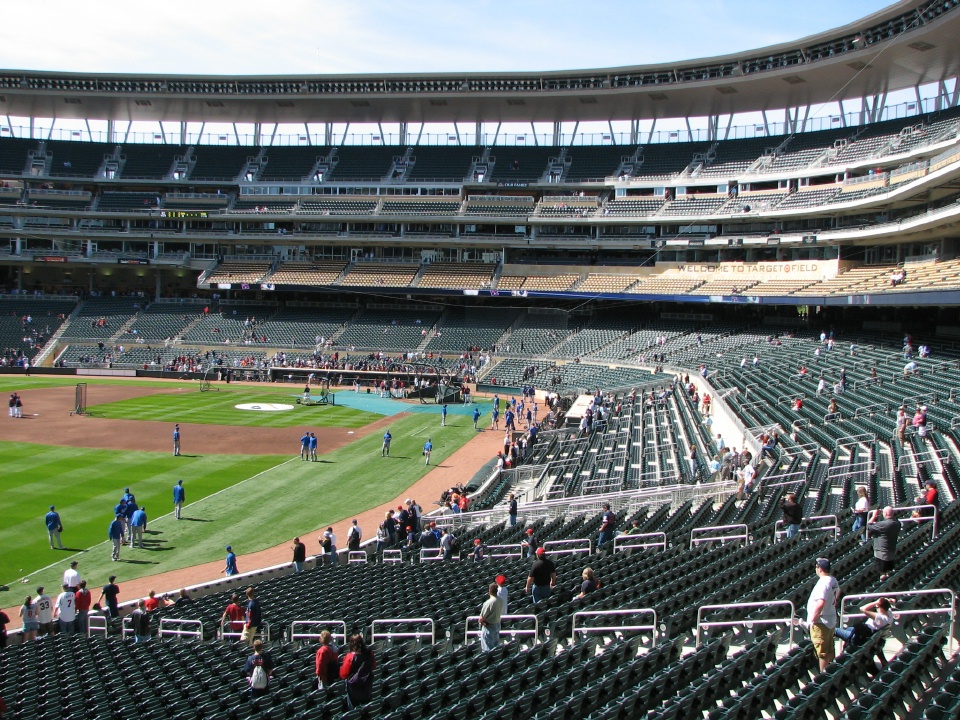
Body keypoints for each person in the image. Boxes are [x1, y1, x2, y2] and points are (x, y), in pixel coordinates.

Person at [802, 557, 840, 671]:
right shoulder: (832, 579)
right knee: (829, 649)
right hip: (830, 618)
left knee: (822, 652)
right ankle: (830, 673)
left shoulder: (823, 583)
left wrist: (813, 619)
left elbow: (821, 602)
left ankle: (824, 677)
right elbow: (839, 591)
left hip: (821, 622)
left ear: (819, 569)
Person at [340, 634, 375, 709]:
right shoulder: (369, 654)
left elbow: (343, 674)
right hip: (367, 684)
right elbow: (374, 666)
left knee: (354, 710)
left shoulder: (350, 657)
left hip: (353, 687)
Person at [867, 506, 901, 581]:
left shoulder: (884, 524)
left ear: (885, 513)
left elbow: (868, 526)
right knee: (889, 573)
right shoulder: (897, 523)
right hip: (891, 552)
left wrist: (874, 516)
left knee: (883, 574)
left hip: (881, 553)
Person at [479, 582, 503, 652]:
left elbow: (481, 618)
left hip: (489, 627)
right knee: (495, 648)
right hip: (497, 625)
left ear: (489, 591)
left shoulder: (488, 603)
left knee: (487, 650)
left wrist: (480, 621)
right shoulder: (501, 600)